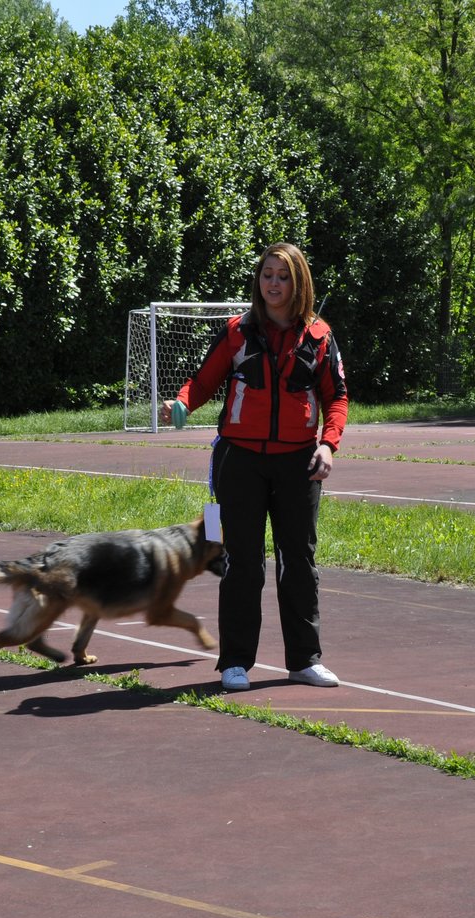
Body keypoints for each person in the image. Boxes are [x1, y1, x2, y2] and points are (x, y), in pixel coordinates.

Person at [160, 242, 349, 692]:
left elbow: (336, 398)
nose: (273, 284)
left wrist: (328, 445)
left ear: (298, 281)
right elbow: (203, 382)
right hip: (240, 462)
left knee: (298, 560)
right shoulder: (236, 332)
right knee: (243, 562)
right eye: (267, 274)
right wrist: (181, 403)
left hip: (298, 464)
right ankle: (235, 662)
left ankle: (304, 660)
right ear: (258, 280)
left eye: (282, 276)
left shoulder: (320, 337)